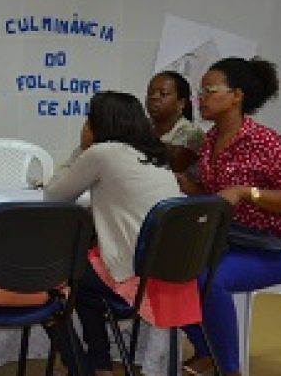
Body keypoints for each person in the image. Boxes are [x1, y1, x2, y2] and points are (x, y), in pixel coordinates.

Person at [178, 57, 281, 376]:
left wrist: (248, 192)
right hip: (233, 242)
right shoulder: (209, 141)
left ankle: (229, 369)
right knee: (170, 270)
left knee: (212, 280)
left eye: (209, 90)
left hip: (280, 248)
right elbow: (216, 195)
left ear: (236, 96)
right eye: (200, 90)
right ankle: (208, 351)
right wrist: (183, 184)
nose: (201, 98)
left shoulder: (266, 141)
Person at [43, 91, 184, 376]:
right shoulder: (154, 156)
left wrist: (82, 148)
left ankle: (81, 367)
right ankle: (100, 366)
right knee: (83, 275)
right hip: (164, 274)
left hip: (130, 275)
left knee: (47, 279)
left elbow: (54, 195)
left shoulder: (102, 153)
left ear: (99, 123)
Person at [145, 70, 204, 174]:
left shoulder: (192, 133)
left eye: (163, 94)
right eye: (150, 93)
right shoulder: (144, 127)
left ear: (181, 103)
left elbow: (174, 165)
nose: (154, 97)